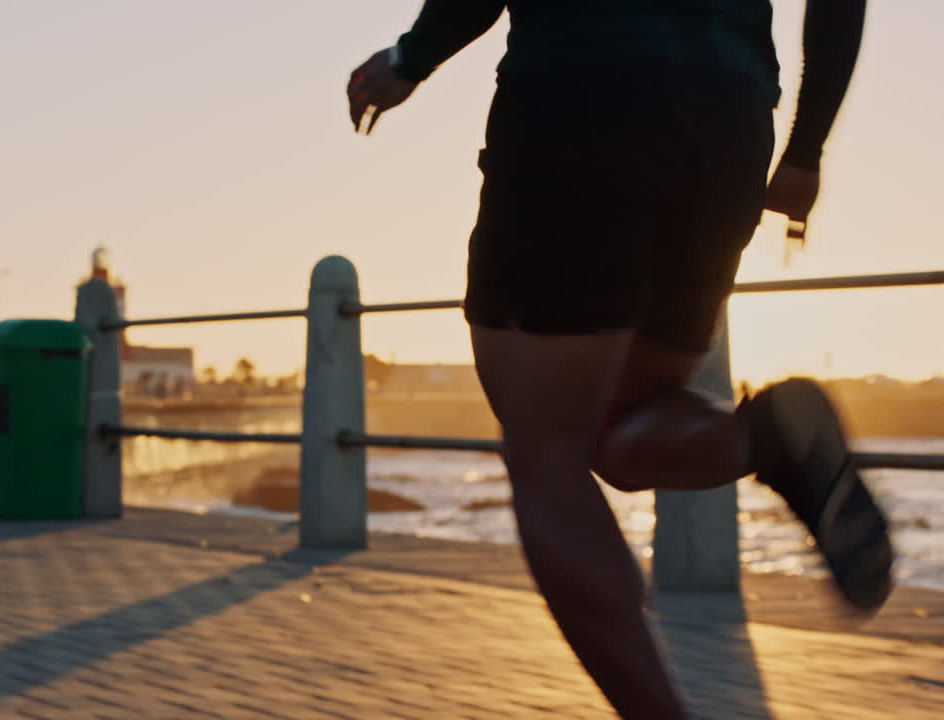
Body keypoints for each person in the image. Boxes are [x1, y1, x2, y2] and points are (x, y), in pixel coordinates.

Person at [347, 1, 890, 718]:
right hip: (727, 120)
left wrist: (408, 59)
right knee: (617, 428)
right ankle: (761, 437)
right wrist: (805, 149)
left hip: (582, 92)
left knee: (546, 454)